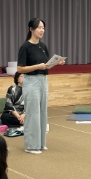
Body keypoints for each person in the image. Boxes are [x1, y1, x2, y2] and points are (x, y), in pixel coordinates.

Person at [16, 18, 64, 154]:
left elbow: (45, 66)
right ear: (31, 29)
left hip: (43, 81)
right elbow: (20, 69)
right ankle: (31, 145)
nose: (42, 30)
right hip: (31, 82)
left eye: (43, 27)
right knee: (33, 113)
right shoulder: (25, 47)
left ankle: (41, 143)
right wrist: (38, 66)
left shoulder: (43, 46)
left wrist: (56, 63)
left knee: (42, 112)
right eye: (39, 27)